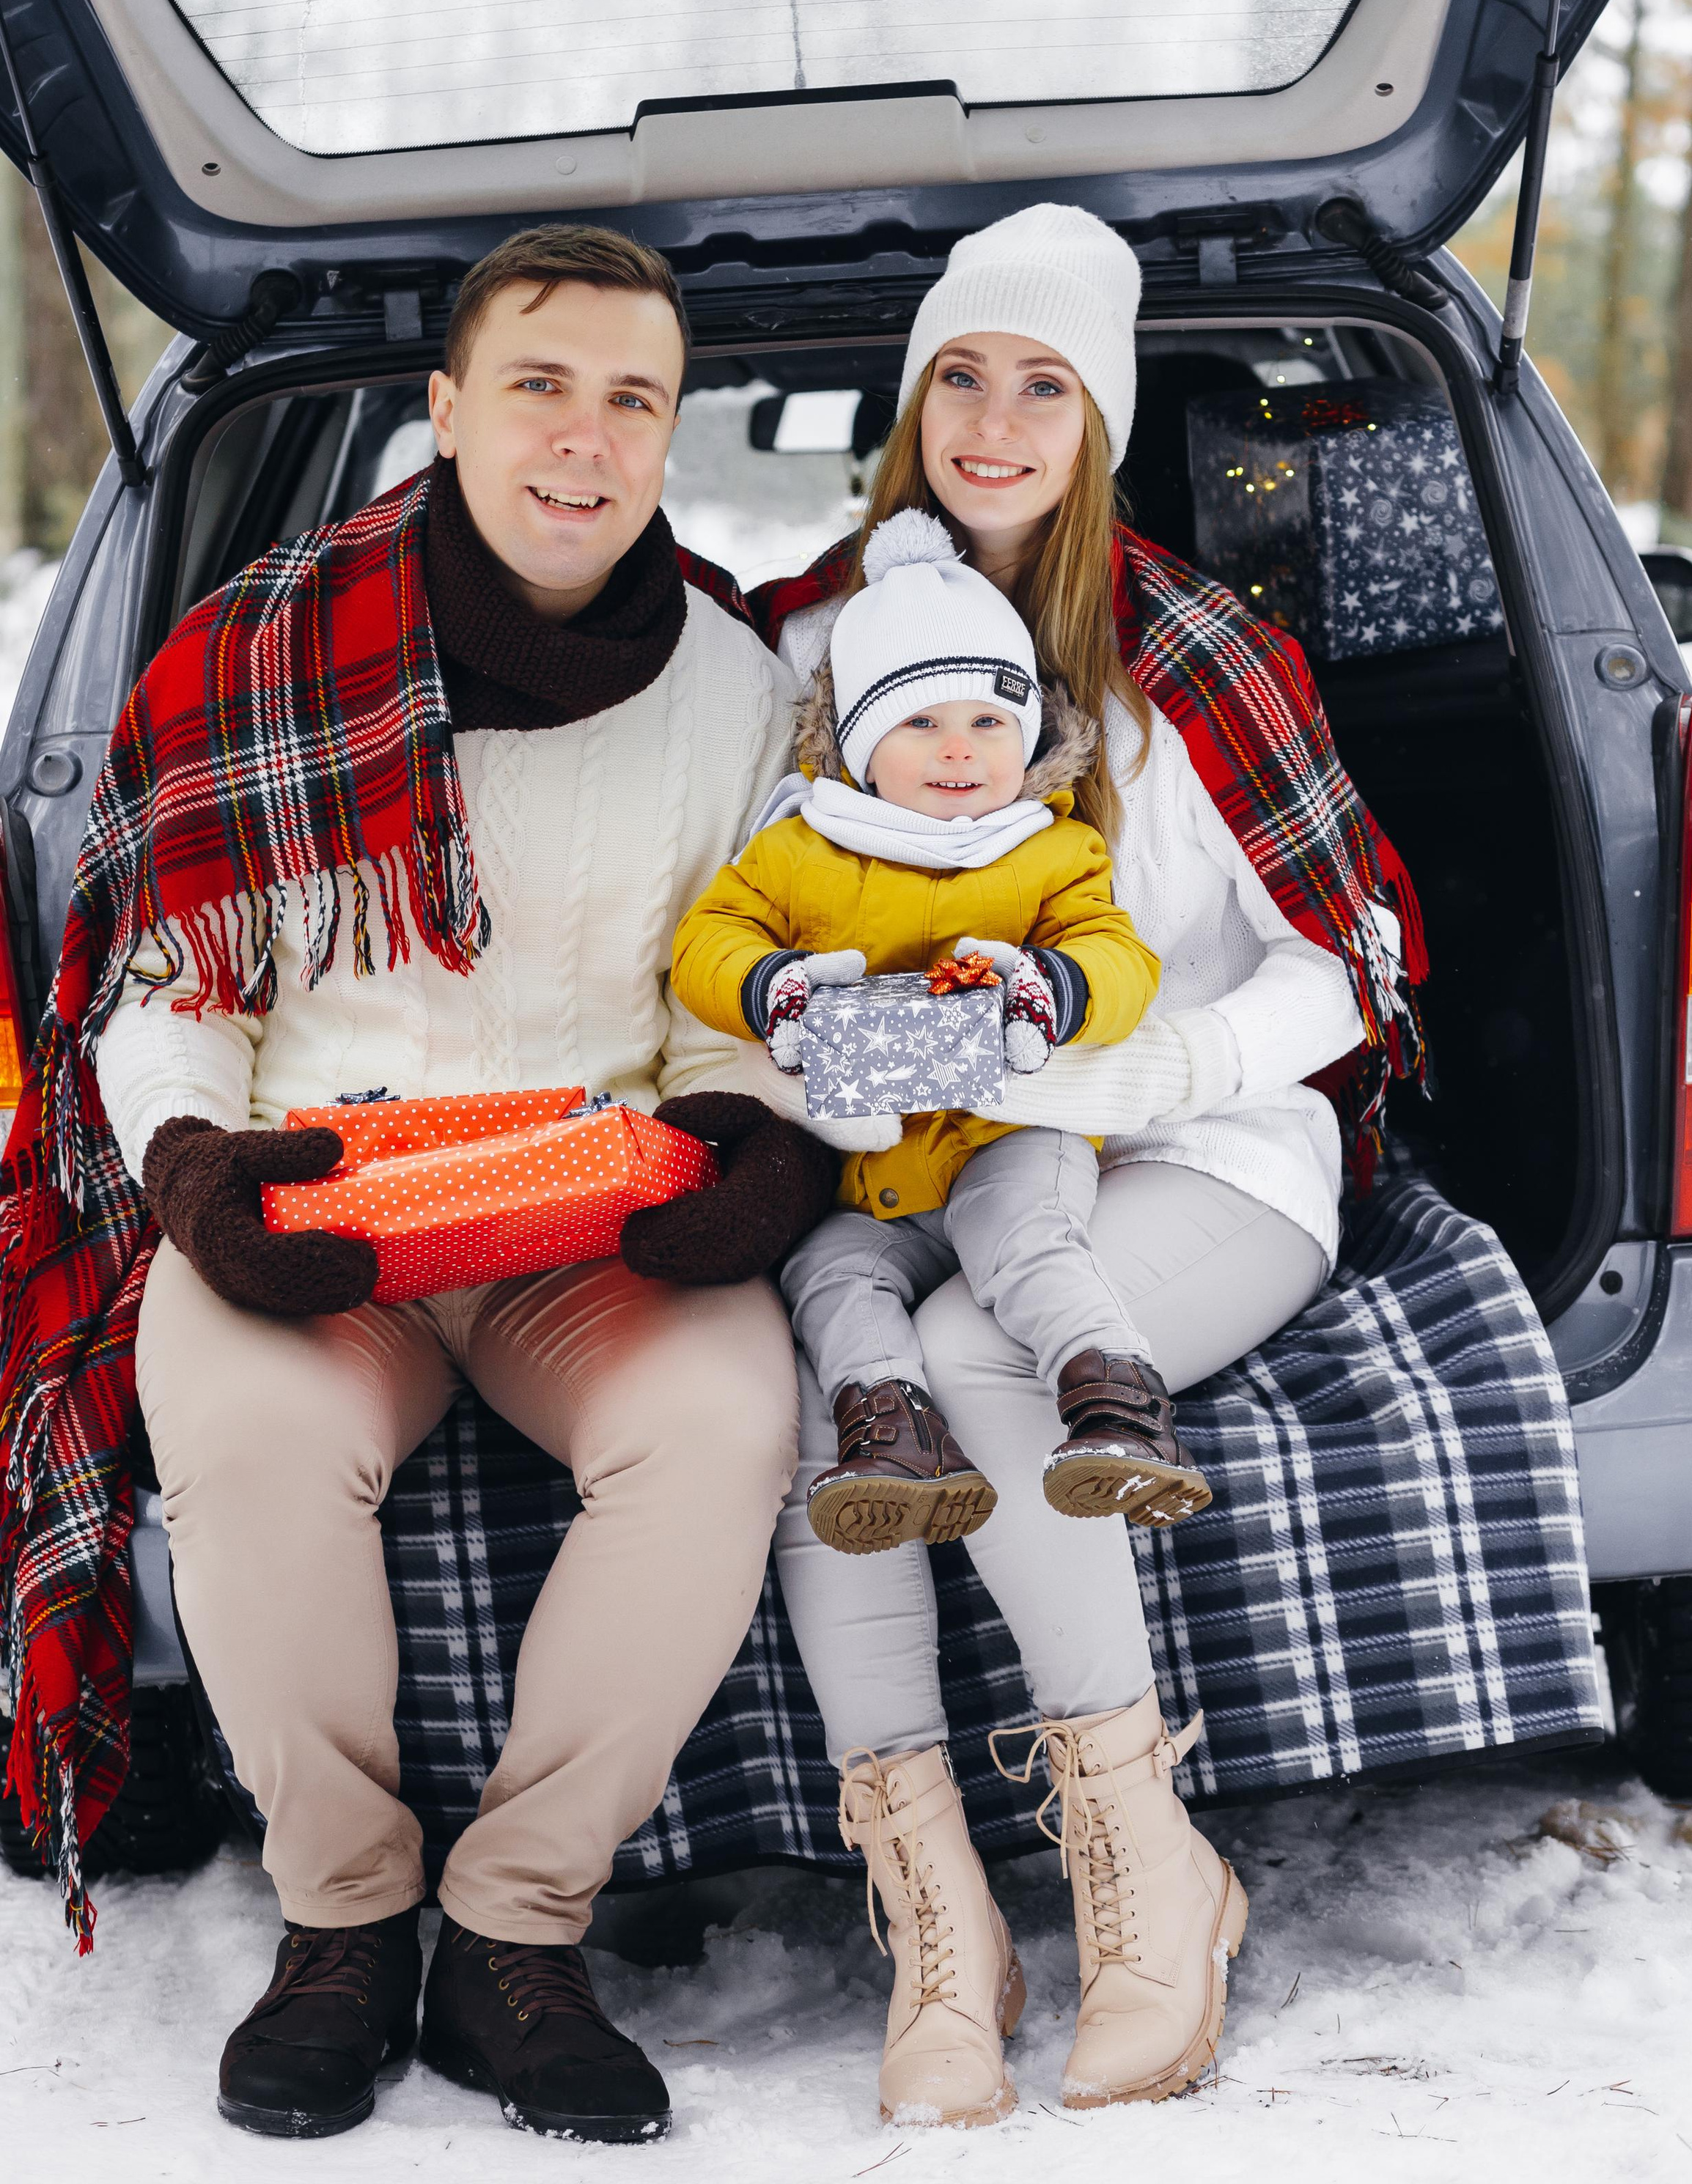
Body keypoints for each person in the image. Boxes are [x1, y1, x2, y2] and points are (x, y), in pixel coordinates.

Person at [0, 224, 840, 2148]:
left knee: (722, 1425)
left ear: (670, 432)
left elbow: (738, 994)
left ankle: (515, 1932)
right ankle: (345, 1921)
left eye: (632, 398)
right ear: (447, 409)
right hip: (320, 1199)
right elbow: (172, 991)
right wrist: (194, 1172)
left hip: (587, 1210)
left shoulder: (734, 694)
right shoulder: (253, 650)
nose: (585, 438)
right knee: (246, 1439)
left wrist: (751, 1147)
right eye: (540, 385)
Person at [751, 202, 1427, 2127]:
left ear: (1101, 420)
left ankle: (1148, 1866)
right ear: (910, 403)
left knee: (979, 1358)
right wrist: (810, 1051)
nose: (991, 422)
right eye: (960, 375)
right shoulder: (805, 641)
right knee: (832, 1380)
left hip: (1206, 1142)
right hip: (916, 1152)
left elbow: (1354, 957)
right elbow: (742, 922)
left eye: (1042, 384)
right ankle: (941, 1924)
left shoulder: (1195, 655)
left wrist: (1161, 1065)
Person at [672, 504, 1211, 1563]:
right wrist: (775, 989)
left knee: (1025, 1238)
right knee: (828, 1274)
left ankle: (1115, 1398)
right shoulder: (801, 848)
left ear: (1029, 736)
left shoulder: (1051, 852)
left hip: (1007, 1135)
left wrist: (1051, 990)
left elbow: (1120, 960)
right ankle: (895, 1431)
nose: (959, 749)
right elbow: (708, 942)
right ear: (861, 745)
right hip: (874, 1177)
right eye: (919, 723)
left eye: (988, 722)